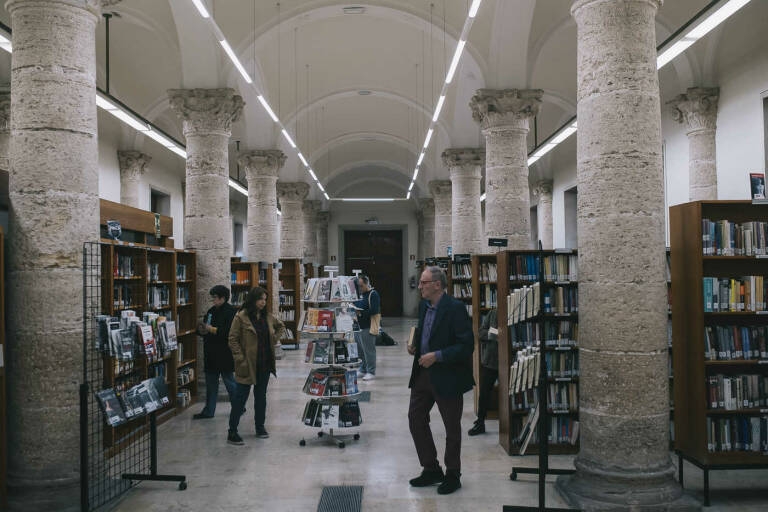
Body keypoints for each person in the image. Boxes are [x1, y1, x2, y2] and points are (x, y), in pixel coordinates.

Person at [407, 266, 474, 495]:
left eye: (424, 282)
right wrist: (416, 347)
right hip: (423, 374)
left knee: (451, 426)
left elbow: (466, 346)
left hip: (448, 376)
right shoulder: (425, 307)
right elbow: (426, 333)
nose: (420, 286)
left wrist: (437, 356)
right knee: (415, 418)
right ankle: (431, 468)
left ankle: (453, 473)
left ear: (437, 284)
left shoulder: (455, 309)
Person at [226, 286, 285, 445]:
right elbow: (232, 339)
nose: (263, 303)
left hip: (264, 363)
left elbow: (281, 327)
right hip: (247, 364)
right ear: (253, 300)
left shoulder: (268, 316)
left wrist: (273, 340)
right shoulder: (241, 317)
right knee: (240, 398)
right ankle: (232, 431)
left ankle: (260, 427)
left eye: (265, 300)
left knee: (261, 397)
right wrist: (240, 359)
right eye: (260, 299)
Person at [193, 285, 238, 420]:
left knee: (229, 382)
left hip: (224, 352)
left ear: (223, 298)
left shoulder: (231, 312)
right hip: (211, 353)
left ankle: (238, 407)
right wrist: (201, 329)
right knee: (211, 384)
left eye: (215, 298)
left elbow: (228, 332)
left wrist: (210, 329)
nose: (213, 300)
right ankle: (209, 411)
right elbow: (206, 328)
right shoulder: (211, 310)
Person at [468, 308, 498, 436]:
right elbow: (480, 332)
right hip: (491, 360)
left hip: (510, 361)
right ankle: (480, 422)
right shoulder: (493, 313)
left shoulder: (515, 312)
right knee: (484, 392)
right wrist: (496, 334)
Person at [353, 274, 380, 381]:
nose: (360, 289)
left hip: (368, 326)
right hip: (358, 326)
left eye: (361, 286)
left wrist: (360, 313)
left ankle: (371, 371)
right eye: (358, 286)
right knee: (361, 350)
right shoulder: (360, 295)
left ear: (367, 284)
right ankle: (363, 369)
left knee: (369, 351)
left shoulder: (373, 294)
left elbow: (374, 310)